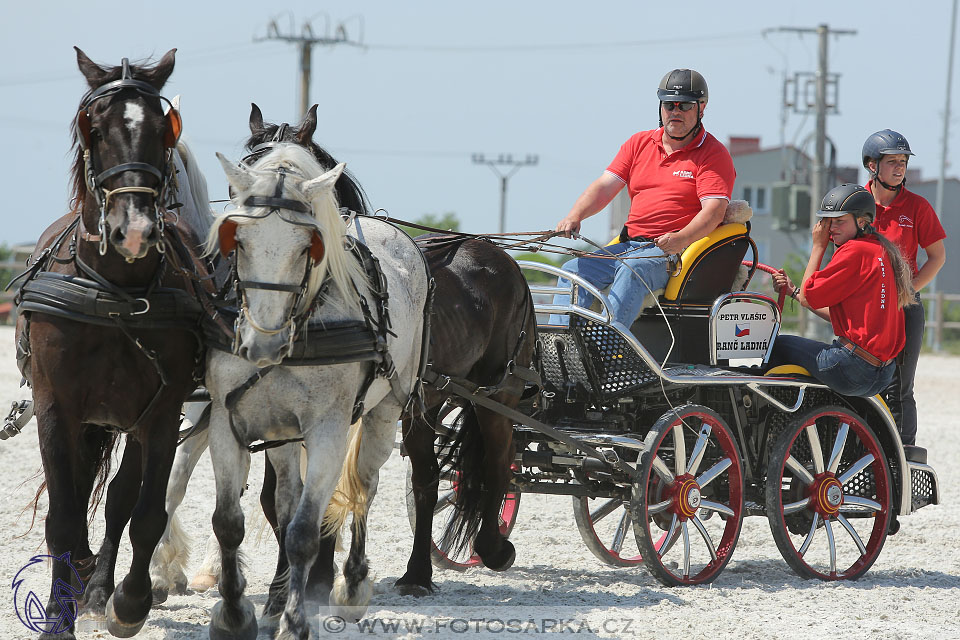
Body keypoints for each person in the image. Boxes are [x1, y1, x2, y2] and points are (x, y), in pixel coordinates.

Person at [550, 68, 736, 327]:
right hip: (629, 247)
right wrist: (575, 216)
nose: (676, 112)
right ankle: (560, 350)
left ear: (701, 108)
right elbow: (605, 187)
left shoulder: (713, 154)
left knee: (631, 270)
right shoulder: (638, 143)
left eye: (685, 105)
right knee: (572, 271)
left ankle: (610, 351)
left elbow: (713, 212)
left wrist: (679, 239)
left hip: (672, 253)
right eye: (669, 104)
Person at [769, 184, 915, 398]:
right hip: (882, 375)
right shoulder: (881, 250)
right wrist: (793, 292)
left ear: (862, 222)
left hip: (852, 369)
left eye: (839, 221)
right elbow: (840, 316)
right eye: (828, 222)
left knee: (777, 344)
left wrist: (818, 246)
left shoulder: (854, 251)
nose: (831, 228)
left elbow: (810, 297)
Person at [862, 129, 946, 446]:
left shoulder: (918, 207)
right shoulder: (855, 203)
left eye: (904, 162)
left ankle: (903, 456)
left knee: (900, 388)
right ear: (872, 165)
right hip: (864, 309)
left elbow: (937, 257)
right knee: (860, 382)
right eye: (892, 161)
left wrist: (906, 293)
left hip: (903, 308)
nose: (900, 168)